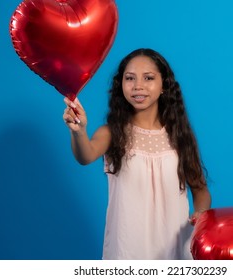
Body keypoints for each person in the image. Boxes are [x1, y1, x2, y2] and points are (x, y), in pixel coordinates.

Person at [63, 48, 211, 259]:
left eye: (148, 78)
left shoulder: (179, 136)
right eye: (129, 78)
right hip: (127, 252)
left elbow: (200, 190)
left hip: (176, 250)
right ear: (121, 85)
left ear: (163, 85)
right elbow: (85, 155)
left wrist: (201, 214)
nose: (138, 86)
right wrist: (79, 131)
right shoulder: (112, 133)